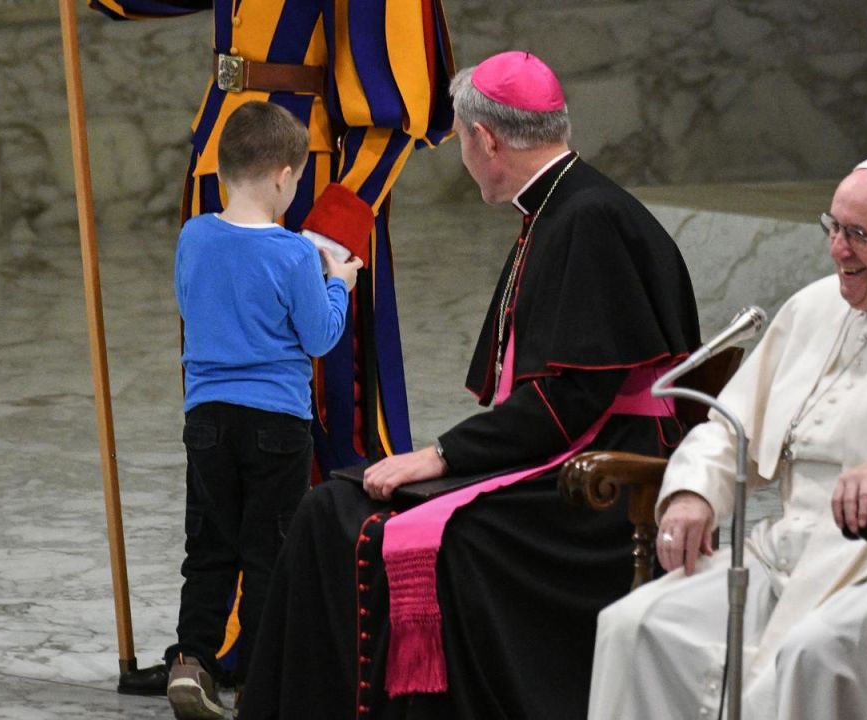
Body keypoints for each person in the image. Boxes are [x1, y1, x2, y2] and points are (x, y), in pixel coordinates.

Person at [239, 51, 701, 720]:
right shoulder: (568, 205)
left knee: (344, 515)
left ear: (486, 139)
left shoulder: (585, 220)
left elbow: (563, 402)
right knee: (335, 505)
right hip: (577, 449)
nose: (462, 155)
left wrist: (442, 456)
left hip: (599, 478)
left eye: (459, 140)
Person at [588, 156, 867, 719]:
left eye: (858, 234)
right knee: (633, 625)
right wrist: (694, 492)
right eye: (833, 227)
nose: (838, 249)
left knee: (813, 653)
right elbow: (731, 428)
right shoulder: (811, 309)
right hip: (789, 550)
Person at [90, 0, 454, 474]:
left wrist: (337, 224)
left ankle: (328, 531)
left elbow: (393, 108)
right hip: (219, 161)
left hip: (309, 177)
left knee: (326, 386)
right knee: (215, 365)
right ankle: (231, 525)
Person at [166, 101, 364, 720]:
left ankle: (192, 662)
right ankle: (258, 679)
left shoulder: (193, 235)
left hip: (206, 419)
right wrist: (340, 284)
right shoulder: (294, 255)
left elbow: (186, 300)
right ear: (284, 176)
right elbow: (319, 337)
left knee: (209, 546)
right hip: (276, 422)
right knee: (268, 553)